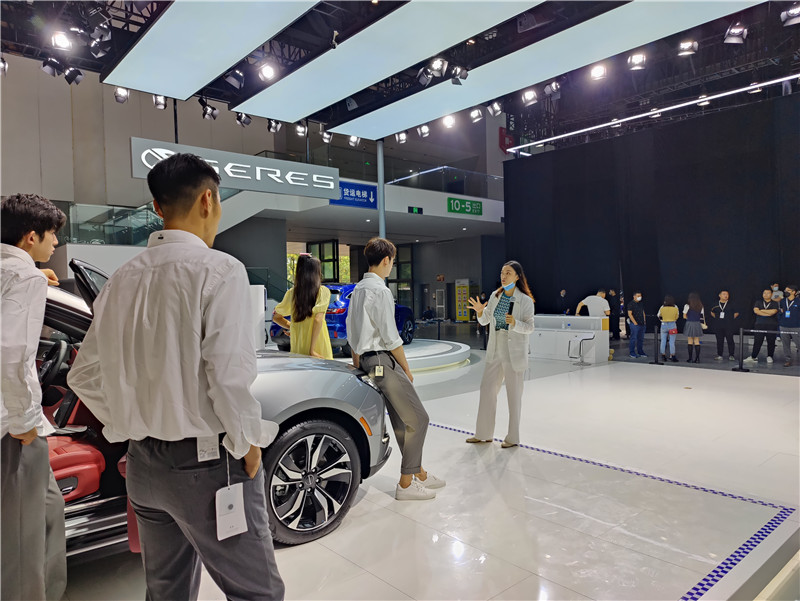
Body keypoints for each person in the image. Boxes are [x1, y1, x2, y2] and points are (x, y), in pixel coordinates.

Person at [67, 154, 285, 600]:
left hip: (143, 466)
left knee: (166, 591)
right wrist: (247, 441)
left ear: (156, 207)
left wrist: (126, 422)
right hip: (207, 465)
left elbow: (84, 374)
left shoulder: (120, 279)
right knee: (258, 593)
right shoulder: (220, 270)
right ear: (208, 200)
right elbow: (228, 375)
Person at [1, 193, 68, 601]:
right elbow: (11, 353)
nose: (56, 243)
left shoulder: (14, 272)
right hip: (11, 427)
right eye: (52, 235)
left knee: (47, 511)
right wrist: (25, 421)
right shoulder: (24, 279)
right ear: (30, 236)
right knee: (24, 537)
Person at [346, 237, 445, 501]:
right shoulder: (380, 291)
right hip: (382, 360)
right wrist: (406, 369)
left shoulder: (357, 290)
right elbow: (391, 337)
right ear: (386, 260)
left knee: (402, 420)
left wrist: (357, 362)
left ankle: (418, 472)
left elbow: (351, 332)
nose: (392, 266)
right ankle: (406, 483)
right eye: (392, 261)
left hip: (368, 360)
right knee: (419, 419)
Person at [466, 261, 535, 449]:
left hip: (514, 351)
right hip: (496, 347)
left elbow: (530, 327)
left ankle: (513, 437)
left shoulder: (525, 301)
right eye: (502, 273)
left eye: (508, 273)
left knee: (514, 395)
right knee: (486, 389)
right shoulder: (495, 296)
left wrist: (515, 323)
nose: (503, 276)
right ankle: (483, 434)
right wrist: (480, 312)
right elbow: (485, 320)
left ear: (517, 277)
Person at [273, 254, 333, 359]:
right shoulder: (323, 291)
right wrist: (312, 350)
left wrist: (293, 327)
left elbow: (276, 317)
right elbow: (318, 319)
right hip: (318, 345)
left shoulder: (292, 293)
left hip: (298, 347)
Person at [744, 288, 779, 364]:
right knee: (757, 341)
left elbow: (773, 312)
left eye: (768, 293)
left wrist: (762, 310)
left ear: (771, 294)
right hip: (759, 324)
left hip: (771, 325)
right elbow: (756, 311)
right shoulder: (758, 302)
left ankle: (770, 356)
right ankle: (753, 356)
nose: (765, 294)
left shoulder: (775, 303)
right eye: (764, 293)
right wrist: (767, 313)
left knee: (771, 341)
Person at [710, 291, 740, 361]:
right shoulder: (715, 304)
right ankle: (720, 355)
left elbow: (736, 313)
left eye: (727, 294)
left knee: (730, 340)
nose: (726, 295)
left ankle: (731, 355)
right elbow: (712, 312)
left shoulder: (732, 304)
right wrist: (717, 318)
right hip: (718, 325)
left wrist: (730, 319)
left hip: (729, 325)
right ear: (719, 295)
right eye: (724, 294)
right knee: (719, 340)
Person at [778, 284, 799, 367]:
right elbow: (781, 311)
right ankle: (788, 360)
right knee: (785, 344)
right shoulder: (783, 301)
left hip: (796, 326)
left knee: (799, 344)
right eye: (785, 290)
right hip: (784, 325)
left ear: (793, 292)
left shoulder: (798, 301)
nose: (786, 292)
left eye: (788, 290)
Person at [683, 292, 706, 363]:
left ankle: (690, 358)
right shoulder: (701, 306)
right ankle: (697, 358)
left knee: (690, 341)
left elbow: (684, 316)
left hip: (689, 323)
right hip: (697, 323)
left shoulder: (687, 306)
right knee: (697, 341)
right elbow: (702, 317)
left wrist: (689, 318)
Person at [657, 295, 680, 362]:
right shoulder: (675, 307)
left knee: (663, 340)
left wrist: (662, 320)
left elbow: (658, 315)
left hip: (664, 324)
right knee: (672, 341)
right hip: (672, 324)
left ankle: (663, 355)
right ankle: (672, 355)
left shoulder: (662, 307)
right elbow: (677, 316)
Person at [626, 291, 647, 358]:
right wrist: (634, 322)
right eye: (638, 296)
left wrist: (644, 320)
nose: (639, 297)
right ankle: (632, 352)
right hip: (634, 324)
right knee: (633, 338)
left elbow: (643, 312)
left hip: (642, 323)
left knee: (641, 339)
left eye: (640, 296)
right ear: (634, 296)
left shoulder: (641, 303)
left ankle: (640, 351)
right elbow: (630, 314)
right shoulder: (631, 304)